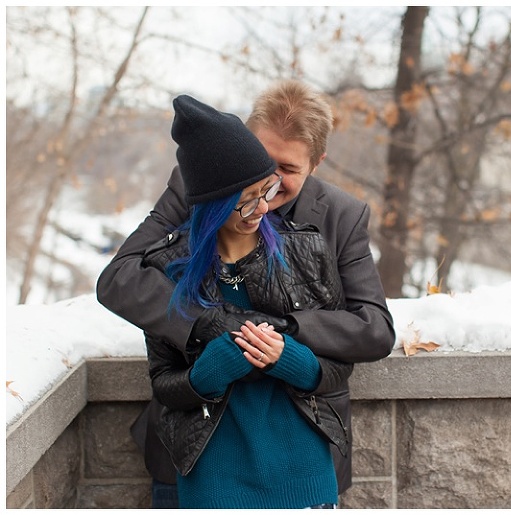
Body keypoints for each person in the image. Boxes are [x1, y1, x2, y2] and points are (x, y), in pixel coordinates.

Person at [96, 80, 395, 507]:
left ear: (317, 163)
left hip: (300, 452)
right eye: (261, 158)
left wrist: (283, 332)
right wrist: (206, 323)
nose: (268, 180)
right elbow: (119, 278)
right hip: (197, 449)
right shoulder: (201, 182)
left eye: (287, 169)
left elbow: (375, 330)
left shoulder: (338, 219)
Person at [143, 93, 351, 508]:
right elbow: (164, 384)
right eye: (246, 199)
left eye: (266, 189)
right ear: (212, 203)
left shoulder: (306, 251)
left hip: (304, 474)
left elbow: (339, 366)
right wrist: (207, 373)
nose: (263, 207)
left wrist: (289, 357)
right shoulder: (169, 268)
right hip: (212, 479)